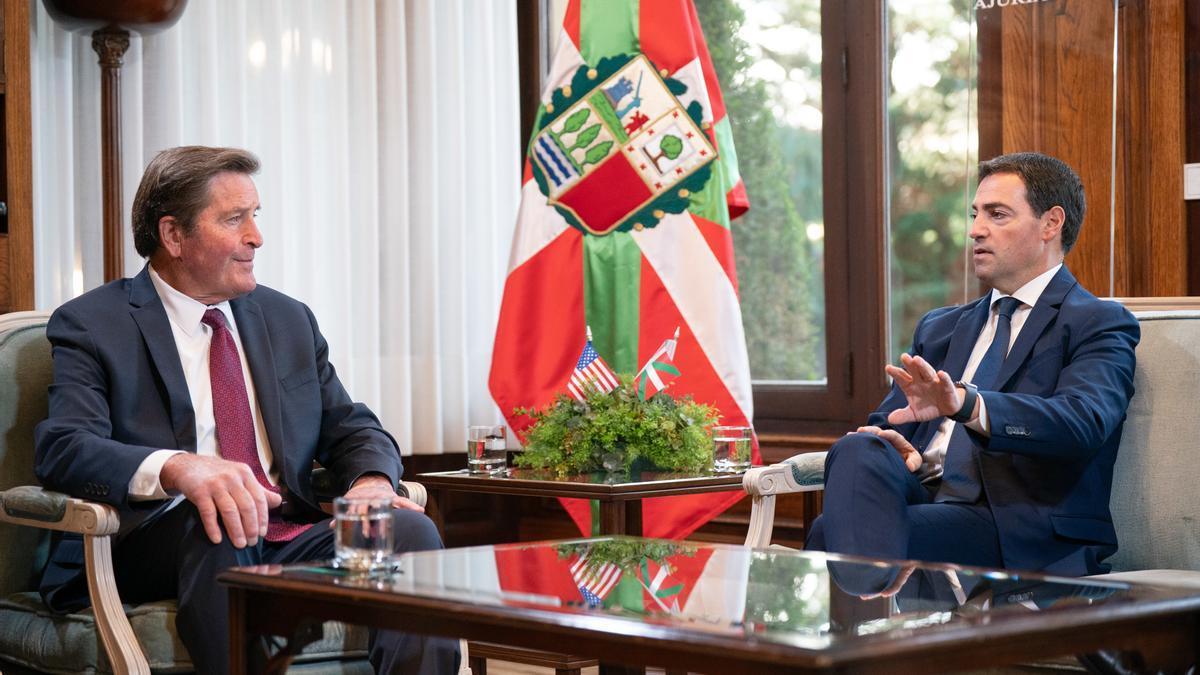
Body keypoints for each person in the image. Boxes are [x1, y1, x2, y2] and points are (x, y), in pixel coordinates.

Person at [35, 146, 458, 674]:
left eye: (255, 216)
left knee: (408, 532)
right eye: (235, 219)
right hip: (158, 539)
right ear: (173, 236)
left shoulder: (286, 319)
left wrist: (372, 481)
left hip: (285, 532)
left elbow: (350, 426)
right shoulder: (95, 323)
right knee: (216, 519)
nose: (256, 236)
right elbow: (64, 447)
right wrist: (179, 467)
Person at [807, 152, 1139, 577]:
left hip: (1014, 524)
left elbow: (1082, 422)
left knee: (826, 534)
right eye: (975, 214)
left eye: (997, 215)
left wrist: (968, 405)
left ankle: (858, 630)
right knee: (857, 448)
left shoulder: (1096, 321)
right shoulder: (942, 327)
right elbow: (896, 418)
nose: (975, 230)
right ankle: (874, 629)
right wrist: (890, 438)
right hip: (922, 496)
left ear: (1050, 224)